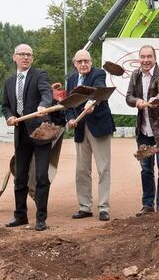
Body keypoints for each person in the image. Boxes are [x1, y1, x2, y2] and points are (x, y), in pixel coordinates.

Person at [2, 44, 53, 231]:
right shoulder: (9, 81)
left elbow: (47, 93)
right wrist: (9, 117)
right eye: (22, 54)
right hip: (21, 133)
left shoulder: (39, 75)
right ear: (14, 57)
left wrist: (43, 105)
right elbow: (5, 106)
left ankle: (41, 218)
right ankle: (20, 216)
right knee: (20, 177)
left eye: (29, 55)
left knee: (41, 176)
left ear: (32, 58)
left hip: (41, 132)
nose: (25, 57)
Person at [126, 45, 159, 216]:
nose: (146, 60)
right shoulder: (135, 75)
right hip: (144, 131)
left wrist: (156, 99)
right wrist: (137, 102)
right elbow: (128, 96)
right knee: (146, 169)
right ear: (139, 59)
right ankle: (148, 205)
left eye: (149, 56)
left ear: (155, 58)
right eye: (143, 57)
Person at [65, 49, 116, 222]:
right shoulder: (70, 79)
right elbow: (69, 104)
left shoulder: (98, 73)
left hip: (99, 127)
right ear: (75, 63)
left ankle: (103, 208)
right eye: (80, 62)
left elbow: (99, 89)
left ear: (91, 61)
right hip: (80, 128)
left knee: (103, 169)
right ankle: (85, 207)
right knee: (81, 170)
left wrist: (90, 103)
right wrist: (71, 119)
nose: (83, 64)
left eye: (86, 61)